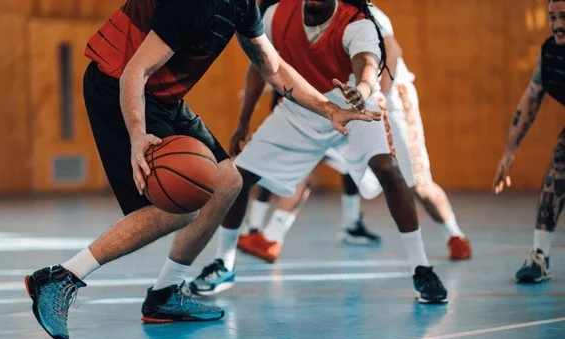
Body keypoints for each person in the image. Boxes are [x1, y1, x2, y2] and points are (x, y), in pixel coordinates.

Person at [23, 0, 380, 339]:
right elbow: (135, 71)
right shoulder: (194, 2)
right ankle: (60, 278)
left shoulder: (240, 5)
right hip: (119, 86)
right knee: (177, 207)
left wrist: (327, 108)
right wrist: (137, 136)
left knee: (228, 181)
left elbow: (273, 68)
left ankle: (165, 292)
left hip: (163, 97)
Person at [189, 0, 448, 304]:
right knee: (237, 178)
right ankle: (224, 263)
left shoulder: (359, 21)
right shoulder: (276, 14)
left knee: (389, 170)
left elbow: (366, 65)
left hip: (355, 109)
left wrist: (361, 91)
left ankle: (422, 268)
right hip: (304, 108)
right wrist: (243, 122)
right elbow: (260, 65)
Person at [239, 2, 472, 263]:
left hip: (384, 96)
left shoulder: (367, 17)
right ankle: (271, 235)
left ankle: (453, 234)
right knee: (302, 164)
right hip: (335, 101)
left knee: (413, 180)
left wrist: (376, 97)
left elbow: (391, 54)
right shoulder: (288, 15)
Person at [493, 0, 565, 283]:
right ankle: (539, 255)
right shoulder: (549, 54)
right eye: (552, 17)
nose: (558, 24)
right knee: (557, 171)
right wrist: (509, 152)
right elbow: (530, 101)